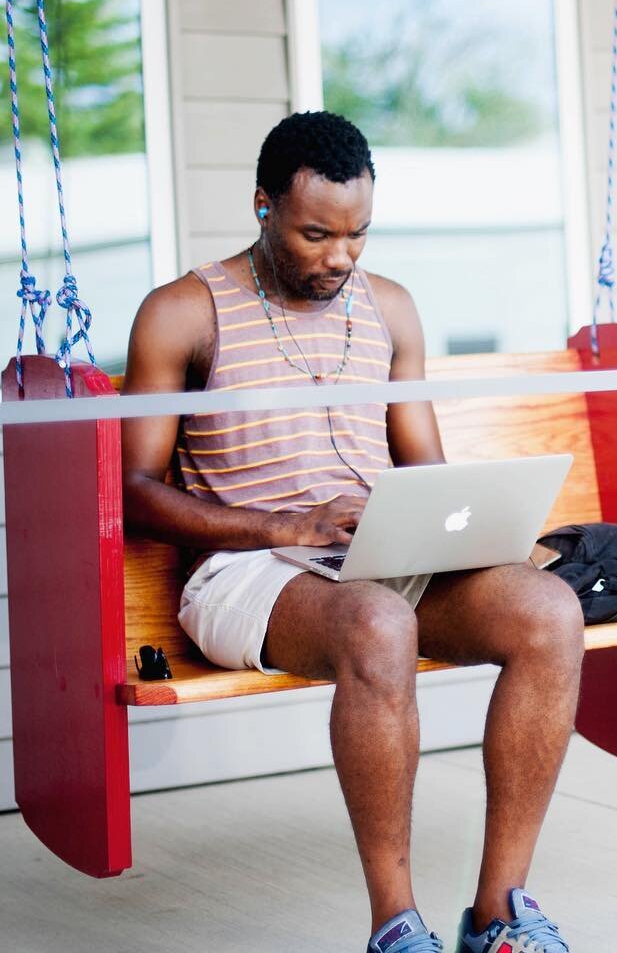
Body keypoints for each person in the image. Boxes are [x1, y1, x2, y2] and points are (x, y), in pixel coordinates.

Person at [121, 111, 584, 953]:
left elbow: (423, 467)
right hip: (245, 570)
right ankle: (396, 928)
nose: (341, 256)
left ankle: (500, 914)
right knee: (378, 623)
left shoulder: (391, 309)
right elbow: (137, 492)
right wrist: (281, 524)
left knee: (549, 612)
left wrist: (480, 528)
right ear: (262, 206)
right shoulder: (183, 312)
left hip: (377, 556)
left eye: (358, 234)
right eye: (316, 234)